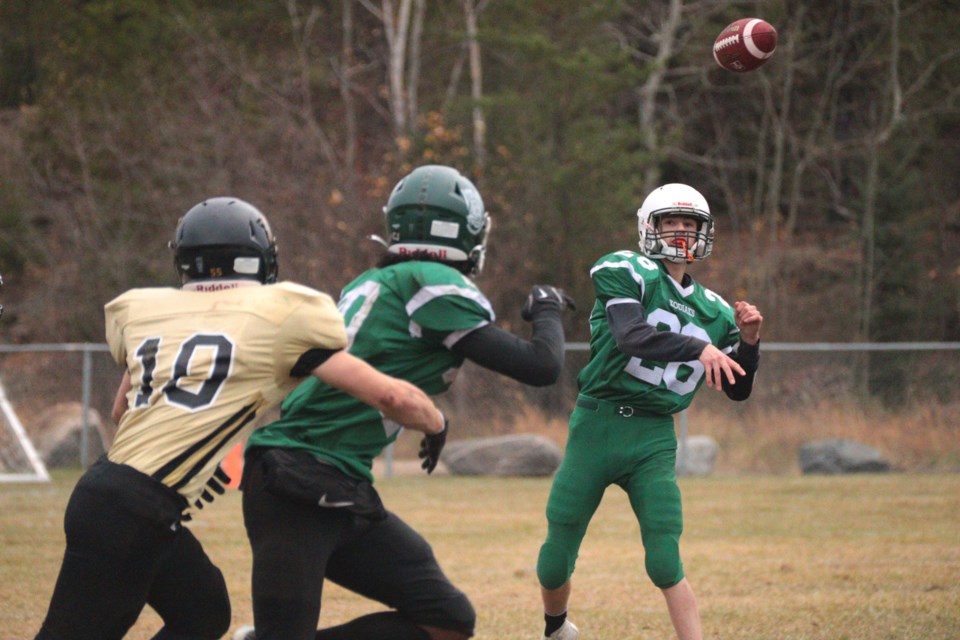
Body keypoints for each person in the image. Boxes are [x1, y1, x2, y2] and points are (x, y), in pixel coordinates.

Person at [34, 197, 447, 640]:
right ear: (262, 259)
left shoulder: (147, 310)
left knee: (203, 610)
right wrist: (435, 423)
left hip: (112, 491)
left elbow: (122, 412)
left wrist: (192, 456)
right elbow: (388, 393)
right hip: (136, 509)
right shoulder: (281, 313)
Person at [232, 164, 575, 640]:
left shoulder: (373, 283)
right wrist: (547, 308)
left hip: (336, 480)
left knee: (447, 620)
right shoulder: (430, 281)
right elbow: (541, 366)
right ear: (465, 231)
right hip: (298, 480)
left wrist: (433, 423)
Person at [534, 183, 763, 640]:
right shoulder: (626, 269)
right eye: (670, 222)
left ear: (704, 233)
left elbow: (738, 390)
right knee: (556, 555)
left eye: (690, 224)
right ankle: (556, 627)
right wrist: (700, 348)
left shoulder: (716, 310)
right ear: (648, 228)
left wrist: (750, 343)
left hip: (654, 437)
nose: (681, 232)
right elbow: (631, 337)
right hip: (597, 425)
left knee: (664, 557)